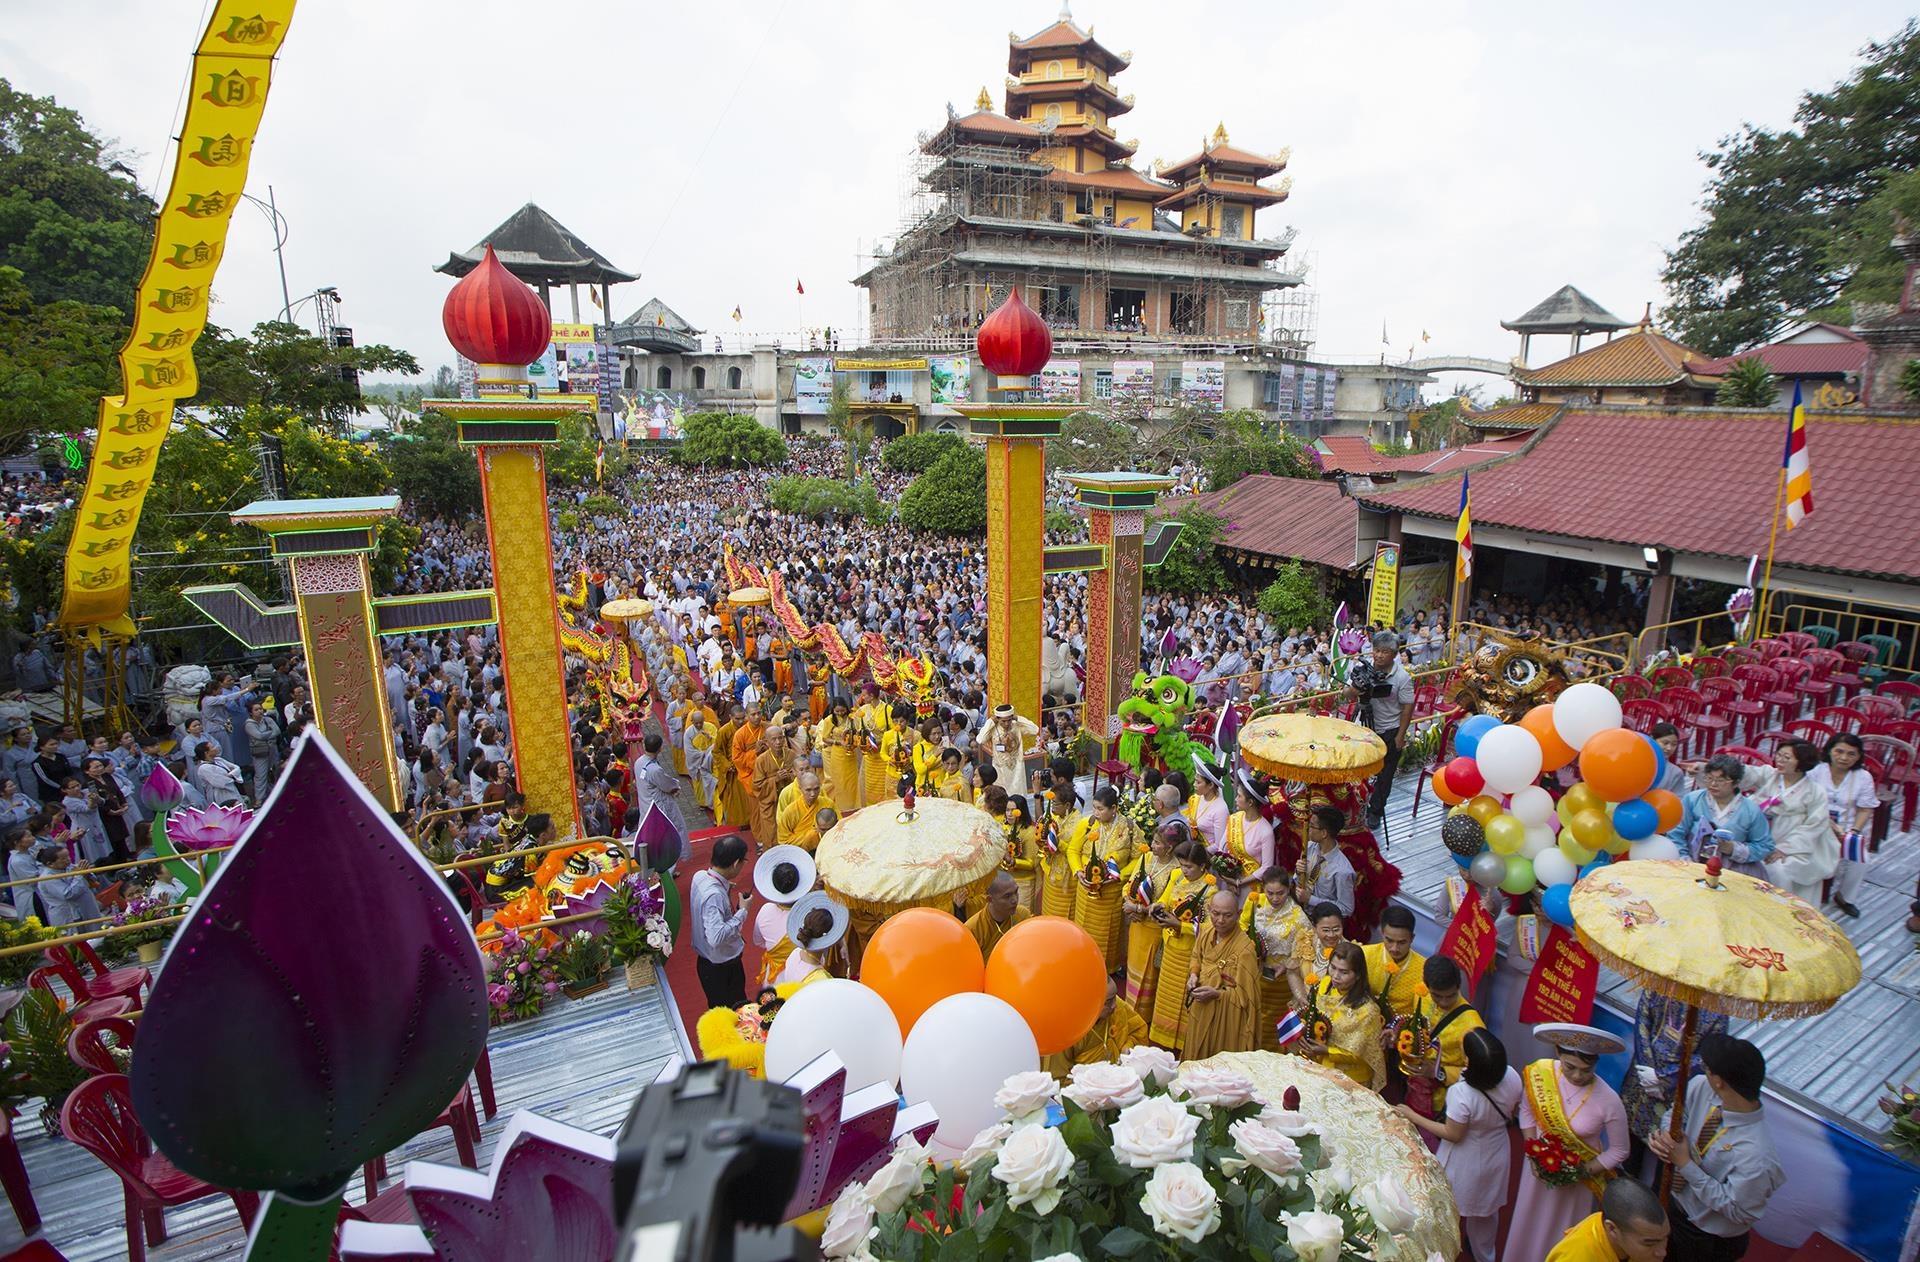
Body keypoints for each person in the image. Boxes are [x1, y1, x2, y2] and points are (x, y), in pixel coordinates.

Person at [1649, 1033, 1783, 1261]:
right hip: (1668, 1199)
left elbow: (1738, 1211)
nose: (1704, 1072)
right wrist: (1665, 1137)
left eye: (1707, 1068)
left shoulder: (1757, 1155)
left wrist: (1685, 1164)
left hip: (1705, 1236)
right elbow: (1676, 1114)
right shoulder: (1701, 1087)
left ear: (1719, 1080)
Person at [1396, 1028, 1522, 1262]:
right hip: (1497, 1151)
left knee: (1446, 1210)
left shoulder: (1461, 1093)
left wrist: (1413, 1116)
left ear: (1468, 1061)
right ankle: (1486, 1255)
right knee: (1486, 1214)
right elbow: (1513, 1110)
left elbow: (1452, 1134)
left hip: (1465, 1160)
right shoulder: (1513, 1076)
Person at [1509, 1023, 1631, 1262]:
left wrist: (1581, 1171)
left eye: (1586, 1070)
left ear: (1596, 1063)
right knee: (1528, 1220)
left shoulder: (1609, 1101)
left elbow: (1619, 1150)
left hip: (1578, 1180)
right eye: (1570, 1067)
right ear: (1557, 1053)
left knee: (1560, 1230)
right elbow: (1527, 1110)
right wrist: (1532, 1153)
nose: (1577, 1075)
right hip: (1537, 1169)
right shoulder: (1541, 1074)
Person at [1622, 990, 1729, 1174]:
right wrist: (1646, 1068)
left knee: (1668, 1151)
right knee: (1629, 1148)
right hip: (1641, 1079)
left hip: (1676, 1090)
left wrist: (1664, 1078)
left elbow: (1708, 1055)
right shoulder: (1659, 987)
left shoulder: (1717, 1009)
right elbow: (1642, 1025)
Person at [1146, 840, 1214, 1051]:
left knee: (1183, 998)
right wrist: (1157, 906)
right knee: (1167, 995)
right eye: (1182, 865)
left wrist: (1180, 925)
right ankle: (1163, 1040)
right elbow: (1166, 899)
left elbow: (1208, 929)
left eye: (1189, 867)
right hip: (1171, 947)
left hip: (1190, 952)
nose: (1184, 870)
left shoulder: (1210, 890)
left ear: (1202, 866)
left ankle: (1183, 1044)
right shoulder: (1176, 876)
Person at [1403, 954, 1486, 1122]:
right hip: (1412, 1086)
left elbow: (1479, 1073)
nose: (1444, 1001)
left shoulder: (1472, 1025)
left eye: (1450, 996)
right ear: (1426, 986)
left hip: (1443, 1103)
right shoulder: (1421, 995)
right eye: (1437, 996)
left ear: (1458, 986)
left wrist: (1438, 1072)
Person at [1181, 886, 1261, 1059]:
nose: (1220, 920)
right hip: (1201, 1005)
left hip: (1225, 1017)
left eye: (1227, 915)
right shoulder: (1207, 931)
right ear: (1209, 910)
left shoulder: (1245, 949)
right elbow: (1196, 956)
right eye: (1215, 913)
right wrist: (1194, 975)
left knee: (1216, 1061)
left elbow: (1247, 998)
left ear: (1239, 913)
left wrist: (1217, 994)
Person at [1067, 786, 1139, 969]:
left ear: (1114, 808)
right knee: (1084, 929)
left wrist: (1119, 875)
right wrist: (1078, 871)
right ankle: (1082, 963)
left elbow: (1139, 858)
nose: (1096, 813)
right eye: (1094, 808)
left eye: (1101, 809)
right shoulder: (1087, 824)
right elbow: (1073, 850)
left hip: (1112, 892)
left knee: (1110, 932)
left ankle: (1108, 968)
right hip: (1086, 889)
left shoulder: (1129, 827)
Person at [1240, 865, 1311, 1051]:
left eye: (1280, 893)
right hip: (1254, 974)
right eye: (1270, 893)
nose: (1274, 898)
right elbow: (1242, 926)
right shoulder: (1256, 902)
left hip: (1280, 982)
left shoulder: (1298, 917)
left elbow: (1305, 952)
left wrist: (1287, 966)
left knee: (1275, 1027)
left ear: (1289, 889)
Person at [1668, 755, 1773, 880]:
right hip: (1693, 862)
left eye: (1721, 780)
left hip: (1733, 870)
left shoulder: (1751, 810)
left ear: (1736, 783)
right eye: (1709, 778)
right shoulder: (1692, 799)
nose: (1713, 784)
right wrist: (1685, 859)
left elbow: (1764, 846)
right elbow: (1676, 832)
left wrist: (1734, 849)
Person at [1301, 939, 1386, 1090]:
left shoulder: (1368, 1010)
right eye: (1333, 968)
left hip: (1350, 1077)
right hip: (1318, 1061)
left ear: (1358, 975)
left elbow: (1364, 1053)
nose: (1336, 976)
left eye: (1344, 972)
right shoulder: (1325, 984)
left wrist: (1327, 1050)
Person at [1812, 732, 1877, 919]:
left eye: (1851, 754)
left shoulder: (1863, 777)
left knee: (1860, 860)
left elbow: (1865, 809)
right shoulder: (1817, 771)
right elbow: (1808, 802)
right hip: (1816, 824)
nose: (1844, 757)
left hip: (1846, 829)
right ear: (1830, 751)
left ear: (1858, 756)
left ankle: (1845, 897)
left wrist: (1853, 832)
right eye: (1839, 751)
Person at [1351, 631, 1413, 826]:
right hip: (1364, 728)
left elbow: (1407, 707)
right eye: (1376, 650)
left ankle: (1375, 811)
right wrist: (1356, 688)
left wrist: (1400, 736)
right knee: (1356, 768)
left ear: (1394, 654)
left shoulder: (1402, 677)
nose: (1379, 655)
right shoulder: (1363, 669)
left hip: (1389, 730)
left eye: (1384, 652)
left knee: (1385, 775)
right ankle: (1352, 805)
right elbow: (1347, 694)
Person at [1122, 822, 1181, 1017]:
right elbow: (1130, 884)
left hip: (1154, 929)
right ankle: (1130, 1008)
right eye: (1153, 841)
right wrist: (1128, 903)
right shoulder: (1146, 858)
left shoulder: (1177, 870)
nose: (1152, 845)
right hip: (1137, 924)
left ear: (1169, 847)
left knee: (1149, 971)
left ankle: (1144, 1014)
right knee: (1134, 964)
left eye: (1157, 843)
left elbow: (1167, 905)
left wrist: (1139, 908)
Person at [690, 833, 753, 1008]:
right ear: (735, 863)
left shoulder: (700, 876)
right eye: (743, 862)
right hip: (722, 967)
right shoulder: (714, 895)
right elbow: (716, 937)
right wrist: (742, 911)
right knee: (734, 1012)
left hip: (709, 963)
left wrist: (725, 887)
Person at [1044, 973, 1148, 1078]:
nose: (1114, 1005)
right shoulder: (1066, 1029)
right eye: (1108, 1002)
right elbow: (1058, 1077)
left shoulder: (1116, 1008)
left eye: (1114, 998)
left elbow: (1138, 1030)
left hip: (1121, 1075)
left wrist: (1128, 1047)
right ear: (1089, 1002)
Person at [1546, 1178, 1670, 1262]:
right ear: (1612, 1229)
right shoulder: (1578, 1256)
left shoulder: (1619, 1225)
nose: (1662, 1252)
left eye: (1665, 1238)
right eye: (1649, 1243)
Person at [752, 845, 813, 987]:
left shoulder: (765, 911)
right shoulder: (810, 915)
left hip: (775, 978)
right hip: (804, 974)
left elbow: (758, 941)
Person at [1294, 805, 1356, 919]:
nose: (1308, 830)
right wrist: (1298, 872)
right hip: (1301, 912)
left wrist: (1310, 900)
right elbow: (1298, 883)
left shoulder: (1342, 870)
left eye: (1312, 826)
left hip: (1323, 921)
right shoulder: (1309, 848)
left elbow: (1346, 909)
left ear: (1324, 833)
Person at [634, 733, 688, 864]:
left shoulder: (639, 761)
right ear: (660, 748)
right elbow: (667, 785)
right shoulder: (654, 769)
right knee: (671, 832)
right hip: (659, 805)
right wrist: (676, 787)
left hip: (645, 802)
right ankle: (669, 865)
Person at [965, 871, 1032, 957]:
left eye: (1016, 892)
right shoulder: (973, 929)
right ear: (990, 899)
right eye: (1007, 896)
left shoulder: (1023, 916)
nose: (1014, 900)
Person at [1038, 786, 1080, 920]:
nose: (1052, 807)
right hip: (1051, 872)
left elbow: (1075, 851)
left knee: (1064, 917)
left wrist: (1057, 843)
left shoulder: (1078, 823)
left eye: (1055, 803)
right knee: (1048, 911)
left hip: (1067, 879)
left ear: (1067, 805)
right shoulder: (1053, 817)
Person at [35, 843, 100, 929]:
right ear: (50, 864)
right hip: (68, 916)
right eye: (63, 859)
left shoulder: (70, 867)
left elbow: (93, 880)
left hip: (85, 909)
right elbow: (68, 894)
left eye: (68, 856)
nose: (68, 860)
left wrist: (87, 874)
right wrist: (79, 875)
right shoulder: (47, 878)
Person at [978, 703, 1039, 796]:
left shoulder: (1016, 726)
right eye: (1003, 721)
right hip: (1000, 770)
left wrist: (1017, 718)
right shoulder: (993, 728)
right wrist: (991, 722)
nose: (1006, 723)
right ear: (997, 719)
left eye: (1009, 720)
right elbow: (980, 739)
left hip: (1016, 771)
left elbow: (1035, 730)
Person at [814, 699, 862, 815]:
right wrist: (839, 742)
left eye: (842, 710)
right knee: (840, 781)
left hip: (851, 753)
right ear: (833, 711)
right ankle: (842, 807)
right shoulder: (829, 720)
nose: (840, 713)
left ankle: (855, 805)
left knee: (852, 780)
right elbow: (825, 738)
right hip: (838, 753)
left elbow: (858, 731)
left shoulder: (851, 718)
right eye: (837, 711)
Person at [999, 794, 1040, 909]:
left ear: (1021, 811)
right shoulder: (1004, 828)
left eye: (1013, 810)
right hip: (1006, 880)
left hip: (1024, 883)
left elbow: (1032, 863)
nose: (1009, 814)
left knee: (1022, 916)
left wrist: (1014, 862)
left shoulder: (1029, 832)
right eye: (1007, 810)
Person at [777, 771, 825, 851]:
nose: (813, 794)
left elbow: (839, 827)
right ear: (800, 789)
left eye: (816, 789)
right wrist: (811, 836)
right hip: (798, 852)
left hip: (824, 848)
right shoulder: (790, 811)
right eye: (808, 790)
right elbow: (783, 840)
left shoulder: (827, 803)